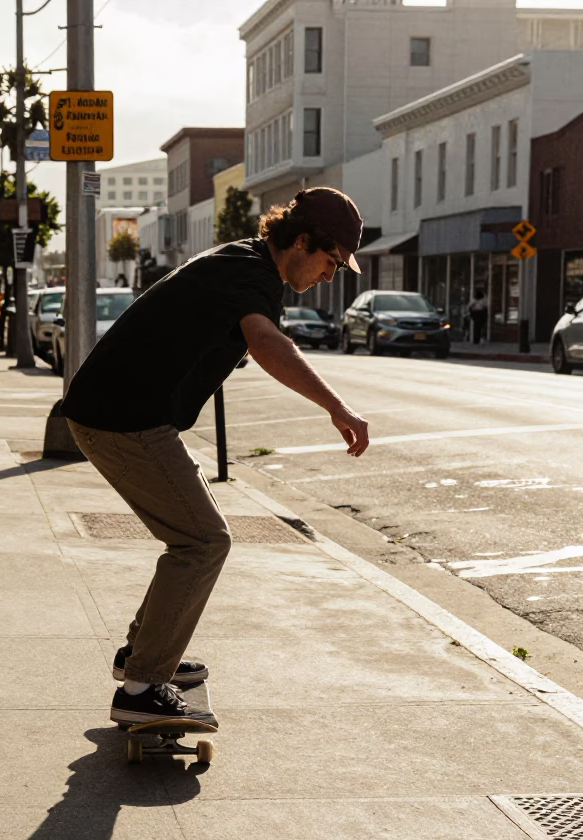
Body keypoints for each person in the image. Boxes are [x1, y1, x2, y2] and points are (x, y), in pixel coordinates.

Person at [62, 186, 369, 728]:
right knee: (204, 540)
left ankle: (143, 658)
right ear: (301, 241)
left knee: (194, 536)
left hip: (121, 414)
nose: (330, 275)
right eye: (331, 261)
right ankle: (140, 688)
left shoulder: (244, 264)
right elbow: (270, 344)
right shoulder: (251, 277)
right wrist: (337, 407)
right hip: (124, 420)